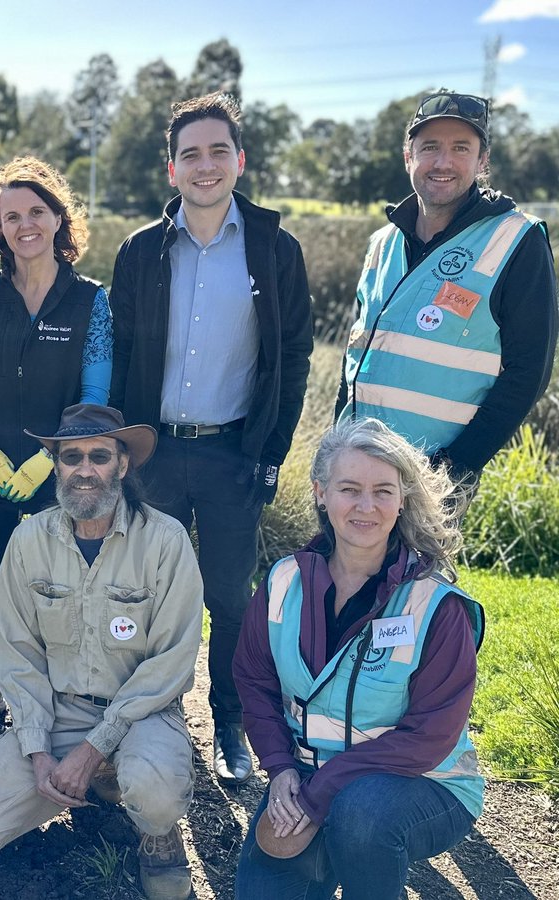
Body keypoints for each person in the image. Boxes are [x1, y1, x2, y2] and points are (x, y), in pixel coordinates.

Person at [109, 92, 313, 784]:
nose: (205, 165)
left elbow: (293, 359)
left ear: (239, 161)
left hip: (233, 455)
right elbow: (122, 356)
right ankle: (153, 716)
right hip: (155, 453)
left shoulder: (275, 249)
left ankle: (230, 722)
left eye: (217, 151)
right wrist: (117, 451)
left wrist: (271, 453)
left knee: (229, 598)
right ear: (171, 169)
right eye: (190, 154)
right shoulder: (140, 251)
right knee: (148, 593)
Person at [0, 403, 203, 900]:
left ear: (122, 465)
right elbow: (17, 655)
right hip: (57, 715)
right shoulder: (28, 540)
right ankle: (94, 784)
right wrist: (38, 751)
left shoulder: (166, 542)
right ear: (56, 465)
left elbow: (171, 661)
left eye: (99, 456)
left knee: (157, 791)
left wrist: (93, 748)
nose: (85, 469)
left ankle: (156, 828)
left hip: (141, 714)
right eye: (71, 456)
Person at [234, 417, 484, 899]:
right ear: (321, 493)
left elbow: (430, 736)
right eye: (349, 488)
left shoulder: (435, 605)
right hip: (305, 775)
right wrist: (281, 767)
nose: (366, 506)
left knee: (361, 817)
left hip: (420, 783)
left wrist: (323, 788)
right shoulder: (284, 582)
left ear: (402, 500)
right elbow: (254, 680)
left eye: (383, 491)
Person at [0, 156, 113, 735]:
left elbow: (95, 390)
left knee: (58, 583)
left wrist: (53, 454)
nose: (25, 225)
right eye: (10, 215)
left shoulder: (90, 300)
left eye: (36, 212)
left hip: (61, 477)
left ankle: (58, 694)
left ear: (58, 219)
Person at [337, 88, 557, 504]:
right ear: (408, 156)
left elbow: (529, 372)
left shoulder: (517, 240)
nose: (443, 162)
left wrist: (454, 468)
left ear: (483, 159)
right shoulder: (381, 243)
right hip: (353, 470)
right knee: (343, 572)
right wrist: (336, 445)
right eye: (430, 147)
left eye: (461, 148)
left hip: (434, 480)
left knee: (420, 573)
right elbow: (355, 353)